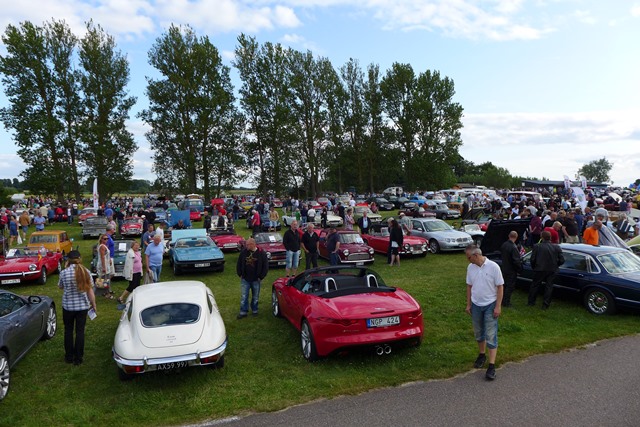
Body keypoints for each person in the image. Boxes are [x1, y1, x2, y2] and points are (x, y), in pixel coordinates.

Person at [465, 244, 503, 381]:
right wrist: (469, 304)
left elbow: (500, 287)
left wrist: (498, 306)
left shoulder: (493, 267)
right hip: (476, 304)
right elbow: (469, 286)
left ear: (476, 255)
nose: (468, 260)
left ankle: (491, 366)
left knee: (491, 334)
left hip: (490, 305)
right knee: (478, 331)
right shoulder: (470, 267)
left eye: (468, 257)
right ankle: (482, 355)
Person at [58, 250, 96, 365]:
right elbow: (90, 290)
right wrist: (93, 304)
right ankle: (78, 358)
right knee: (80, 331)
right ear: (80, 258)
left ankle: (69, 357)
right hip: (82, 307)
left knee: (68, 331)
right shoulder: (86, 272)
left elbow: (60, 287)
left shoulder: (64, 273)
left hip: (68, 307)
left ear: (68, 260)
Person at [528, 230, 564, 309]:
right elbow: (562, 260)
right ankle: (545, 304)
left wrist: (534, 267)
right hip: (552, 269)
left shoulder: (537, 246)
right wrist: (556, 265)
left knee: (535, 285)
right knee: (549, 287)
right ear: (550, 237)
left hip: (539, 268)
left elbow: (532, 259)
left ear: (542, 237)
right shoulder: (556, 247)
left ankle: (531, 302)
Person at [236, 238, 268, 319]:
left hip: (256, 279)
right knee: (244, 296)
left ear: (253, 244)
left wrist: (261, 276)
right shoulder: (243, 252)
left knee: (255, 296)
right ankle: (243, 311)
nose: (246, 246)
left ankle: (255, 310)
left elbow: (265, 266)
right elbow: (239, 263)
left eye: (248, 245)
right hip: (245, 278)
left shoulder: (261, 253)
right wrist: (240, 274)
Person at [500, 231, 522, 307]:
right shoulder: (514, 247)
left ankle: (501, 299)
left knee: (504, 285)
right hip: (511, 270)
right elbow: (516, 261)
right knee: (509, 287)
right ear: (516, 237)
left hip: (504, 268)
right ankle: (506, 302)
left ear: (509, 236)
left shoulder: (504, 245)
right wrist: (519, 269)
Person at [96, 234, 114, 299]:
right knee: (105, 280)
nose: (106, 240)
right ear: (101, 239)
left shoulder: (105, 246)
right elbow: (102, 257)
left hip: (106, 264)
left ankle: (105, 292)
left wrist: (109, 260)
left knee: (106, 279)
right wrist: (104, 267)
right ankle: (106, 293)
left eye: (107, 238)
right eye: (104, 239)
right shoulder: (102, 247)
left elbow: (106, 255)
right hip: (103, 265)